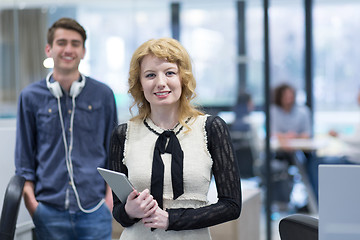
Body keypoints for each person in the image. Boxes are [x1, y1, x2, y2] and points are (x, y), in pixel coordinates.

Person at [109, 37, 241, 239]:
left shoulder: (211, 128)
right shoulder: (123, 134)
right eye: (150, 75)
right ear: (140, 83)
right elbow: (119, 212)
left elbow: (231, 205)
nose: (161, 83)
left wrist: (172, 219)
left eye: (170, 73)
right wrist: (129, 211)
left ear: (183, 78)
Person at [15, 18, 118, 240]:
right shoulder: (30, 97)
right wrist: (33, 206)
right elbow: (24, 160)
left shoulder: (103, 95)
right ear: (49, 49)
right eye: (62, 42)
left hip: (95, 210)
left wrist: (108, 202)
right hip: (48, 212)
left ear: (83, 51)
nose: (68, 49)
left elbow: (113, 154)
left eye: (75, 43)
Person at [270, 83, 312, 209]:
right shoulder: (274, 111)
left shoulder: (303, 111)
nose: (289, 99)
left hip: (301, 152)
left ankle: (311, 203)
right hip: (279, 153)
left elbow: (307, 134)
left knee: (311, 164)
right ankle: (280, 202)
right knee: (276, 166)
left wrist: (292, 138)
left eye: (291, 96)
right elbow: (273, 133)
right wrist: (285, 140)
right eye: (286, 96)